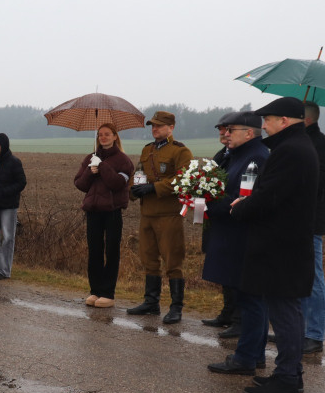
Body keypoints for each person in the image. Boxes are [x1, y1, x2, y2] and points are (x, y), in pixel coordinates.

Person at [230, 97, 318, 393]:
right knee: (284, 311)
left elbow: (270, 196)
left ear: (284, 121)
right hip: (285, 244)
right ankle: (289, 373)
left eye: (267, 120)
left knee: (285, 312)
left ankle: (288, 379)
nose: (263, 126)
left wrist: (241, 207)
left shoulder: (291, 151)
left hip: (282, 246)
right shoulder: (293, 148)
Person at [204, 112, 270, 375]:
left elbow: (241, 201)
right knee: (251, 299)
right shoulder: (239, 155)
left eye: (232, 130)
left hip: (242, 237)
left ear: (249, 133)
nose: (226, 134)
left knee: (251, 299)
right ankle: (255, 354)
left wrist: (209, 203)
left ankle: (246, 358)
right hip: (235, 235)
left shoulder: (255, 158)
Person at [126, 111, 193, 323]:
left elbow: (184, 179)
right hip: (148, 213)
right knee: (149, 258)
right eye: (153, 126)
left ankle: (176, 307)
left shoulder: (180, 151)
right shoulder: (148, 150)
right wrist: (135, 189)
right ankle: (151, 303)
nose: (155, 129)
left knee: (172, 260)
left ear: (171, 127)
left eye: (159, 126)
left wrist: (154, 187)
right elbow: (139, 172)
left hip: (168, 213)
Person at [73, 124, 134, 308]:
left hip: (112, 212)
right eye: (100, 134)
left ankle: (108, 293)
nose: (103, 137)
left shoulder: (124, 161)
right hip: (93, 211)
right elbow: (80, 184)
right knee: (95, 252)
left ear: (115, 136)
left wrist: (102, 167)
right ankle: (95, 291)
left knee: (111, 251)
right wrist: (90, 172)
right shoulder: (90, 158)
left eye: (107, 134)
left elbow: (117, 183)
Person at [299, 102, 325, 354]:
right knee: (293, 277)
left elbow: (324, 182)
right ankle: (296, 330)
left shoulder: (324, 147)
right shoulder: (295, 143)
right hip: (289, 219)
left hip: (310, 221)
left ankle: (314, 334)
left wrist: (298, 168)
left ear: (306, 119)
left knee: (313, 278)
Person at [201, 118, 240, 336]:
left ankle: (237, 317)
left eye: (227, 130)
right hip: (217, 215)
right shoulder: (221, 155)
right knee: (224, 267)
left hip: (232, 215)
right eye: (221, 130)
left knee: (234, 269)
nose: (223, 134)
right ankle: (227, 312)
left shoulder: (239, 155)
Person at [0, 133, 27, 280]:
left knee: (7, 237)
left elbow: (21, 182)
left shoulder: (14, 162)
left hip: (8, 205)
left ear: (4, 146)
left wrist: (4, 192)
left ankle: (4, 270)